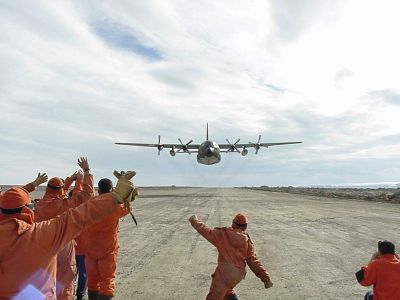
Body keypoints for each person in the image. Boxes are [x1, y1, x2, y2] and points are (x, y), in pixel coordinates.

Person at [0, 169, 136, 299]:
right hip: (87, 250)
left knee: (91, 279)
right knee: (96, 281)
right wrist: (116, 196)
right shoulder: (43, 232)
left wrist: (34, 185)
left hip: (87, 250)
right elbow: (81, 214)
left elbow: (10, 199)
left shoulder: (41, 208)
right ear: (28, 211)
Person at [34, 157, 95, 300]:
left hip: (42, 249)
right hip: (63, 249)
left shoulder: (40, 205)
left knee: (43, 285)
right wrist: (85, 172)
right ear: (60, 190)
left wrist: (69, 180)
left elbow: (56, 194)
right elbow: (87, 195)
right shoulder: (65, 205)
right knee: (64, 284)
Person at [189, 213, 273, 300]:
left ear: (233, 224)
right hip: (237, 276)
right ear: (245, 227)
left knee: (214, 297)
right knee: (227, 294)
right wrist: (266, 279)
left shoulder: (222, 235)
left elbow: (205, 231)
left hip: (224, 275)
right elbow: (254, 262)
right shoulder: (247, 241)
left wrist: (194, 220)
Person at [84, 178, 131, 300]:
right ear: (111, 190)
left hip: (90, 249)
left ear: (98, 189)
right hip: (108, 249)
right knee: (107, 281)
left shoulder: (90, 203)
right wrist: (121, 195)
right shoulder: (115, 206)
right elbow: (128, 208)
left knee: (93, 279)